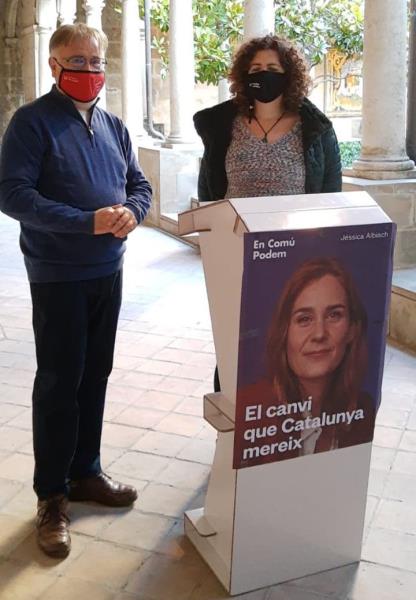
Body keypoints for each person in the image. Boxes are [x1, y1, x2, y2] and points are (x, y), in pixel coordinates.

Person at [0, 24, 152, 559]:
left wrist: (132, 212)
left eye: (94, 61)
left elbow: (139, 184)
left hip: (108, 270)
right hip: (58, 272)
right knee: (60, 382)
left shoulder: (114, 126)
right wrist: (85, 222)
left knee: (96, 374)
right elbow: (13, 194)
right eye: (75, 61)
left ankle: (86, 472)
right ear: (53, 65)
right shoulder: (31, 123)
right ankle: (52, 497)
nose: (87, 71)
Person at [193, 34, 342, 391]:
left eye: (273, 68)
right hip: (236, 255)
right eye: (255, 68)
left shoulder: (316, 130)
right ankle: (232, 425)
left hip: (296, 257)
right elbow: (209, 192)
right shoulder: (223, 126)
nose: (263, 74)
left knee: (287, 342)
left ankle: (276, 428)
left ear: (289, 75)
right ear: (243, 75)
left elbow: (330, 197)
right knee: (235, 344)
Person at [236, 258, 375, 467]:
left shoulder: (363, 410)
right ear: (284, 333)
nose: (319, 333)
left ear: (352, 330)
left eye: (334, 315)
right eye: (304, 319)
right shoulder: (249, 408)